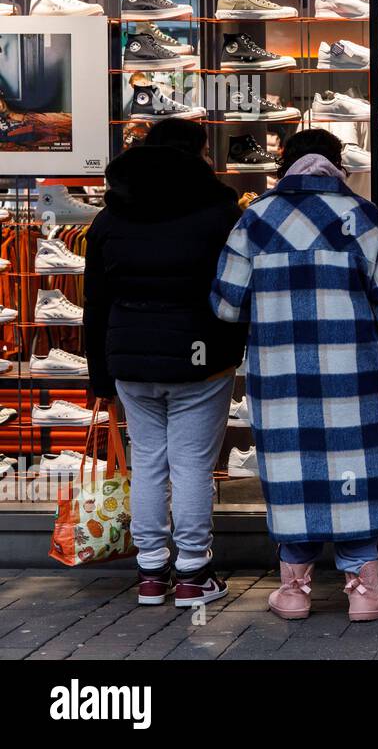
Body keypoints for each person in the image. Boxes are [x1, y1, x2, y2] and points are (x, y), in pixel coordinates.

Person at [211, 129, 378, 622]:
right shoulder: (369, 218)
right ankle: (362, 591)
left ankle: (293, 591)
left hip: (282, 374)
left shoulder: (255, 220)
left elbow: (225, 305)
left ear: (283, 165)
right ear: (339, 166)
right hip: (358, 375)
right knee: (356, 468)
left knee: (294, 470)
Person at [84, 118, 247, 608]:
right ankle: (194, 573)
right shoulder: (219, 212)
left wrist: (100, 375)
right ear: (198, 155)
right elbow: (236, 289)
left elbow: (96, 302)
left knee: (148, 462)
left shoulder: (109, 219)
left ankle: (152, 573)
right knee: (192, 466)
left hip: (131, 358)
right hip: (201, 356)